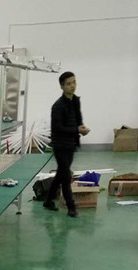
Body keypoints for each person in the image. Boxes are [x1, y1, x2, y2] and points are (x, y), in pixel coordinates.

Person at [44, 71, 90, 218]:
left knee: (61, 173)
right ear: (62, 86)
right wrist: (77, 130)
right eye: (69, 84)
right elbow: (58, 128)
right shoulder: (57, 106)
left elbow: (78, 119)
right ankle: (71, 206)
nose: (72, 86)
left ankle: (48, 200)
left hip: (71, 143)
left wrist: (81, 128)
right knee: (65, 176)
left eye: (74, 82)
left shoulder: (75, 101)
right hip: (60, 145)